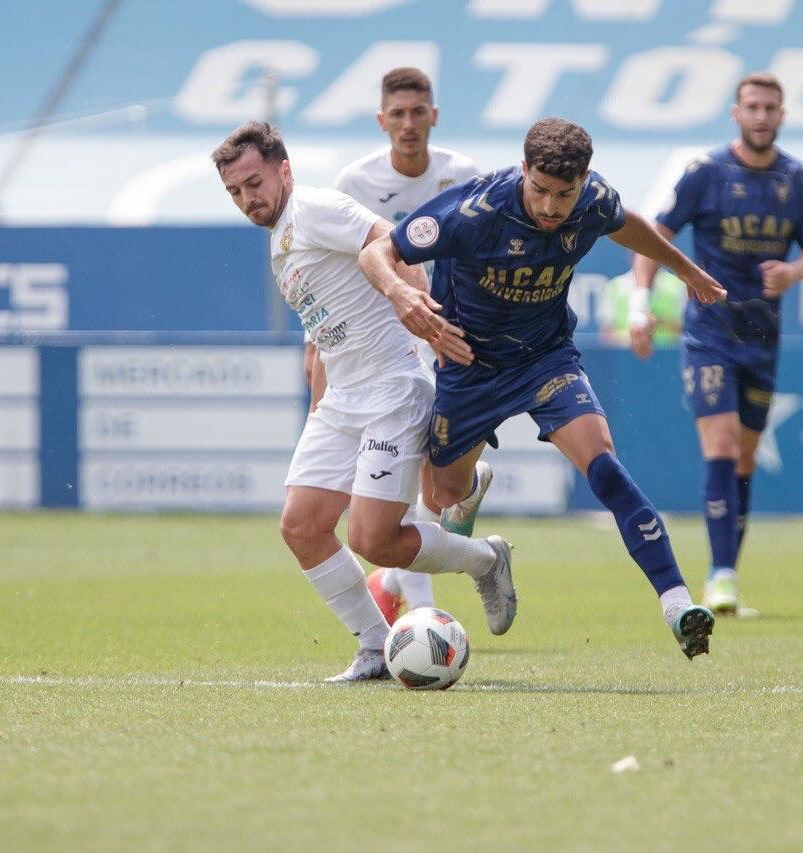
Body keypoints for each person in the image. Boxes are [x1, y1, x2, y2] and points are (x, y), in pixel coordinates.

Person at [360, 117, 727, 659]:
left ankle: (676, 603)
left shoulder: (593, 200)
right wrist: (405, 300)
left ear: (582, 183)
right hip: (470, 366)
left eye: (565, 194)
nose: (553, 208)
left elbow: (626, 224)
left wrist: (684, 270)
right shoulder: (472, 212)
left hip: (544, 359)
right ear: (523, 169)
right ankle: (481, 540)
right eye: (541, 191)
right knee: (441, 498)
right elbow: (377, 254)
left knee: (603, 462)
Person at [212, 120, 516, 683]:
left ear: (284, 170)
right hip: (343, 400)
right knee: (301, 526)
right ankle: (375, 647)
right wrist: (317, 413)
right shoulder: (281, 243)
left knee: (374, 540)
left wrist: (422, 314)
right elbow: (324, 337)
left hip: (393, 387)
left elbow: (393, 244)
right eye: (234, 191)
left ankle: (486, 560)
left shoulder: (316, 208)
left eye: (254, 182)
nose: (247, 199)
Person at [628, 73, 803, 617]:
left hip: (763, 337)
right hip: (709, 333)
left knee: (744, 458)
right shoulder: (707, 174)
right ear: (736, 114)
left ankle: (728, 574)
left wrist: (792, 272)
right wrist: (639, 305)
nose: (762, 116)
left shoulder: (796, 178)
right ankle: (721, 577)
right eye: (752, 107)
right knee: (718, 445)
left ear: (782, 115)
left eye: (771, 108)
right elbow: (652, 238)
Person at [327, 67, 484, 624]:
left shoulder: (463, 174)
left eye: (419, 112)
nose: (409, 124)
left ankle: (401, 582)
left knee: (436, 494)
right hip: (385, 341)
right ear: (381, 120)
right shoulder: (354, 182)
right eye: (398, 114)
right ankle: (422, 616)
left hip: (452, 334)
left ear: (434, 116)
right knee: (413, 489)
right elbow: (337, 271)